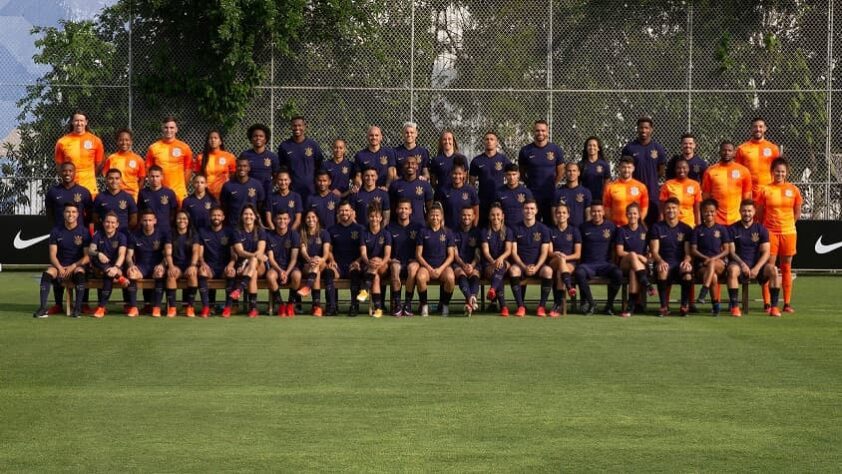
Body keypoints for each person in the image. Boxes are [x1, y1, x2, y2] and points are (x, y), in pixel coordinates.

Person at [756, 158, 801, 314]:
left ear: (786, 173)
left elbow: (796, 212)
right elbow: (760, 213)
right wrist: (766, 230)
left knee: (786, 267)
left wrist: (788, 225)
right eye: (777, 171)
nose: (779, 174)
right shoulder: (765, 190)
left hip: (788, 232)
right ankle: (767, 303)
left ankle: (787, 303)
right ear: (772, 172)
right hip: (770, 233)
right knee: (769, 267)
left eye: (782, 171)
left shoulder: (793, 190)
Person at [33, 204, 91, 318]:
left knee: (80, 272)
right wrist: (59, 267)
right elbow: (52, 255)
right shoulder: (56, 231)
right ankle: (42, 308)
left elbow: (87, 257)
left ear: (78, 214)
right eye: (68, 212)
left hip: (76, 266)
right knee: (47, 273)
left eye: (74, 212)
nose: (71, 214)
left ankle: (77, 309)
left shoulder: (84, 231)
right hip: (60, 265)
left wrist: (73, 266)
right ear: (63, 214)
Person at [727, 199, 781, 317]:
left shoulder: (761, 229)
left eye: (749, 211)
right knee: (732, 270)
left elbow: (766, 252)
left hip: (757, 266)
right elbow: (731, 252)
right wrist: (742, 264)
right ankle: (735, 307)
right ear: (740, 211)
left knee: (774, 270)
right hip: (739, 264)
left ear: (754, 212)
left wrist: (757, 268)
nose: (747, 213)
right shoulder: (732, 229)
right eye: (744, 211)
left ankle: (774, 307)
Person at [574, 202, 623, 315]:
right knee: (579, 273)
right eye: (594, 211)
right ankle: (591, 304)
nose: (597, 214)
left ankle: (609, 305)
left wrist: (615, 262)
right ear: (590, 212)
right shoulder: (583, 227)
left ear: (603, 212)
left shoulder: (611, 227)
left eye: (599, 211)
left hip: (605, 264)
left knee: (618, 274)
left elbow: (615, 247)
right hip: (588, 265)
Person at [648, 197, 694, 317]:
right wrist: (661, 261)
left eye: (674, 208)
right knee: (662, 271)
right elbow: (654, 251)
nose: (671, 210)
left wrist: (687, 261)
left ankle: (684, 305)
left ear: (679, 210)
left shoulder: (686, 229)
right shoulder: (656, 227)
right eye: (668, 208)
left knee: (687, 272)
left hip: (679, 263)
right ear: (664, 210)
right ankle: (664, 307)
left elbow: (688, 252)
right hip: (665, 262)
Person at [508, 199, 552, 317]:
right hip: (521, 265)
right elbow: (513, 252)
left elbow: (544, 252)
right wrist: (524, 266)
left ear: (536, 211)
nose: (529, 211)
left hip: (538, 265)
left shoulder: (543, 229)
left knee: (548, 271)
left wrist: (537, 267)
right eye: (526, 208)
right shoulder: (515, 228)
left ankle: (541, 307)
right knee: (513, 270)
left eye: (532, 208)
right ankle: (521, 306)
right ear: (522, 210)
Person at [621, 117, 667, 226]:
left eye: (646, 128)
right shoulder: (629, 148)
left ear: (651, 129)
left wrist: (651, 178)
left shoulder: (658, 148)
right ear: (637, 129)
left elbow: (661, 171)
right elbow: (625, 170)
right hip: (633, 194)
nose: (643, 130)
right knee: (634, 224)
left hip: (652, 194)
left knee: (652, 225)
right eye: (641, 128)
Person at [413, 203, 456, 317]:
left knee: (451, 278)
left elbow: (451, 255)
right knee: (420, 277)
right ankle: (424, 305)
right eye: (432, 215)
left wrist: (440, 269)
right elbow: (418, 255)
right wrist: (429, 268)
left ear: (441, 216)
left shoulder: (448, 232)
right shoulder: (423, 232)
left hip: (443, 267)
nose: (435, 218)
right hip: (427, 267)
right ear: (428, 217)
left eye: (437, 215)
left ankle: (445, 305)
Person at [518, 120, 565, 223]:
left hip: (550, 193)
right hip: (532, 194)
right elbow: (521, 172)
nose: (540, 133)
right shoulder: (525, 150)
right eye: (537, 130)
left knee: (552, 222)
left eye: (543, 130)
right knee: (533, 223)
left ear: (547, 132)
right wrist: (529, 183)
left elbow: (561, 171)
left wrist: (553, 183)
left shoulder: (556, 150)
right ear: (533, 132)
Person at [690, 199, 731, 316]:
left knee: (713, 264)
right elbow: (693, 250)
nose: (709, 214)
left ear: (716, 212)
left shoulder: (722, 229)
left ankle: (704, 291)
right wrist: (705, 258)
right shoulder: (697, 230)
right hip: (702, 265)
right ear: (702, 212)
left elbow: (727, 250)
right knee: (712, 276)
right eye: (706, 211)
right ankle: (715, 305)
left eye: (712, 211)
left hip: (719, 264)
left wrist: (713, 258)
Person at [125, 210, 169, 317]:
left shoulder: (162, 234)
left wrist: (162, 265)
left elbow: (167, 254)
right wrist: (131, 265)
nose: (147, 223)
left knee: (159, 273)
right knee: (131, 273)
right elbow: (129, 255)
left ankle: (157, 308)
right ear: (141, 221)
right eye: (145, 220)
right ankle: (134, 308)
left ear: (155, 221)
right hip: (142, 267)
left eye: (150, 220)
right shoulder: (134, 235)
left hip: (156, 265)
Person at [54, 110, 104, 199]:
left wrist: (89, 176)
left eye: (81, 121)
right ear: (72, 122)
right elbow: (59, 166)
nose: (79, 123)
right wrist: (68, 178)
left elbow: (99, 165)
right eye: (76, 120)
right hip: (70, 187)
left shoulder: (96, 141)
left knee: (89, 212)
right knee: (71, 212)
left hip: (89, 188)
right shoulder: (62, 142)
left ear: (86, 122)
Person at [87, 212, 129, 318]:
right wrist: (99, 253)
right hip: (99, 267)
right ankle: (119, 278)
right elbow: (91, 251)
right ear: (103, 223)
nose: (109, 225)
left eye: (112, 222)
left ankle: (101, 308)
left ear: (117, 224)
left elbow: (122, 254)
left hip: (115, 268)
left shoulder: (121, 236)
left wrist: (115, 268)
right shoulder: (98, 234)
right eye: (107, 222)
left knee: (108, 275)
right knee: (98, 260)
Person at [328, 201, 366, 316]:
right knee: (328, 273)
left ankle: (354, 306)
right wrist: (332, 260)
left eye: (347, 210)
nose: (344, 213)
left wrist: (358, 261)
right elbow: (329, 250)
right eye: (342, 210)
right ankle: (332, 307)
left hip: (353, 265)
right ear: (338, 212)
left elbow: (364, 250)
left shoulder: (360, 229)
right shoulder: (332, 229)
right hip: (338, 266)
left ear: (352, 212)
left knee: (355, 274)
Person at [197, 206, 237, 317]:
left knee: (231, 272)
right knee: (202, 271)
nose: (216, 217)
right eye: (214, 215)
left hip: (224, 267)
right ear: (210, 216)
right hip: (210, 267)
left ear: (223, 217)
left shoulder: (229, 232)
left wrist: (231, 264)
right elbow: (200, 254)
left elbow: (234, 255)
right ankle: (206, 307)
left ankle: (228, 307)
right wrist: (203, 263)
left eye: (219, 215)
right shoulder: (203, 231)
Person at [614, 203, 652, 318]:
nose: (632, 216)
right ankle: (646, 282)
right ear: (626, 214)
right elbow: (619, 252)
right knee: (632, 255)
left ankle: (630, 306)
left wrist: (645, 258)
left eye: (635, 213)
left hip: (638, 267)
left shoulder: (645, 230)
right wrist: (637, 256)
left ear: (639, 215)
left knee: (633, 272)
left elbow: (650, 252)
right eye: (630, 213)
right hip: (624, 263)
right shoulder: (622, 230)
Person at [229, 205, 267, 318]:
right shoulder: (237, 232)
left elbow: (260, 251)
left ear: (255, 217)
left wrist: (250, 259)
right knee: (253, 272)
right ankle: (253, 308)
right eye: (245, 214)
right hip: (245, 267)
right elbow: (240, 252)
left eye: (251, 214)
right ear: (241, 216)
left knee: (255, 261)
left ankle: (240, 288)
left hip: (260, 267)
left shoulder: (260, 231)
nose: (248, 216)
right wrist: (248, 260)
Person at [145, 115, 193, 204]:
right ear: (162, 129)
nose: (169, 130)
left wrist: (182, 186)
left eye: (171, 127)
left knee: (180, 216)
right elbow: (149, 169)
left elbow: (188, 170)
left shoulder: (184, 147)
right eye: (166, 127)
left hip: (179, 191)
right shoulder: (153, 147)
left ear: (176, 129)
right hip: (159, 190)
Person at [702, 141, 752, 225]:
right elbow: (706, 198)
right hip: (716, 220)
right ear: (719, 152)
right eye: (724, 150)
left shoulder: (744, 171)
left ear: (734, 152)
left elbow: (746, 198)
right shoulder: (710, 171)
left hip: (737, 219)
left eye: (729, 150)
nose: (727, 153)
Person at [297, 209, 334, 317]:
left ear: (317, 219)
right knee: (315, 271)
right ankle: (317, 308)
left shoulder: (324, 233)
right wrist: (310, 260)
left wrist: (319, 259)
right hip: (307, 265)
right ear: (305, 219)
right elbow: (303, 251)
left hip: (321, 262)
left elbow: (326, 253)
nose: (311, 219)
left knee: (317, 262)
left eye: (313, 217)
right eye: (308, 217)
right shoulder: (302, 233)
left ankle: (309, 291)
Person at [265, 211, 302, 317]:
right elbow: (271, 259)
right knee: (270, 276)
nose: (282, 221)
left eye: (285, 219)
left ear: (289, 220)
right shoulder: (269, 235)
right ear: (275, 220)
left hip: (291, 267)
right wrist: (281, 271)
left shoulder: (294, 234)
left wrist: (286, 272)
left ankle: (290, 304)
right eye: (280, 218)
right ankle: (281, 305)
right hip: (276, 267)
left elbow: (294, 258)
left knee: (297, 275)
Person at [480, 203, 515, 317]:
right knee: (497, 273)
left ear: (503, 216)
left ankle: (493, 291)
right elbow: (485, 251)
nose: (496, 217)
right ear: (489, 216)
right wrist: (493, 262)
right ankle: (503, 307)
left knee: (500, 267)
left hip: (504, 262)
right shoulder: (485, 231)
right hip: (489, 263)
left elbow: (508, 250)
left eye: (498, 215)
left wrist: (499, 259)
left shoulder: (508, 231)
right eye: (493, 215)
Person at [164, 210, 200, 317]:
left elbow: (195, 252)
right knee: (171, 275)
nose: (181, 221)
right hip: (176, 265)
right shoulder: (170, 234)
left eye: (184, 218)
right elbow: (168, 252)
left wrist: (193, 266)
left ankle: (190, 307)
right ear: (175, 220)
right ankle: (172, 308)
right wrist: (171, 266)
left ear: (188, 221)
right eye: (179, 218)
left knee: (193, 274)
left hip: (189, 265)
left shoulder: (193, 234)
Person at [388, 198, 421, 317]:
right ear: (396, 210)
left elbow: (422, 248)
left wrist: (417, 259)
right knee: (395, 268)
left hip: (413, 261)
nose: (403, 211)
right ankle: (397, 304)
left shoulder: (418, 227)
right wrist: (390, 260)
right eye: (401, 208)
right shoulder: (390, 227)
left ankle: (408, 303)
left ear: (411, 211)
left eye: (406, 208)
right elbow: (386, 250)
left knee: (412, 269)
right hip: (396, 261)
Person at [470, 131, 510, 226]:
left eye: (492, 139)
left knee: (499, 225)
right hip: (482, 199)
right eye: (487, 139)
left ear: (496, 142)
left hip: (499, 199)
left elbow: (512, 175)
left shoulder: (503, 159)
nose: (489, 141)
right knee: (483, 226)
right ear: (484, 142)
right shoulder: (477, 161)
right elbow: (471, 182)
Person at [359, 203, 392, 317]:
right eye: (372, 216)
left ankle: (364, 290)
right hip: (369, 267)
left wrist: (379, 263)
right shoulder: (364, 233)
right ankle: (378, 309)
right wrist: (369, 262)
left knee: (377, 261)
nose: (374, 219)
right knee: (376, 278)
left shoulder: (386, 234)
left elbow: (387, 255)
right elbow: (363, 253)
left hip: (383, 265)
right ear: (368, 218)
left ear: (381, 218)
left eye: (377, 216)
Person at [279, 116, 324, 200]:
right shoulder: (284, 146)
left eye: (300, 125)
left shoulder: (313, 145)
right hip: (292, 190)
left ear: (304, 126)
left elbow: (320, 166)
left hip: (311, 190)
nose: (297, 128)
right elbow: (282, 167)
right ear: (291, 127)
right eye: (294, 126)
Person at [735, 116, 781, 199]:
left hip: (768, 190)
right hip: (748, 191)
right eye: (755, 127)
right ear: (751, 129)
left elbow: (779, 170)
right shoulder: (742, 149)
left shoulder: (773, 148)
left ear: (765, 128)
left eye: (760, 127)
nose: (758, 129)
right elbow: (738, 172)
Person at [548, 204, 581, 317]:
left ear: (568, 215)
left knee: (559, 273)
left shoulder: (574, 231)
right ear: (555, 215)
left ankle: (557, 305)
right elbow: (549, 252)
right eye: (558, 213)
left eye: (563, 212)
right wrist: (557, 255)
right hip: (554, 261)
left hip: (570, 262)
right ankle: (569, 286)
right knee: (560, 261)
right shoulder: (551, 230)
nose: (561, 215)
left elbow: (577, 254)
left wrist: (565, 257)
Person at [602, 156, 649, 226]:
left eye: (629, 167)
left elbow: (644, 208)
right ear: (619, 168)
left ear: (633, 169)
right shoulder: (610, 187)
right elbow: (606, 208)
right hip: (617, 227)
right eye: (624, 167)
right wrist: (613, 224)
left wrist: (637, 223)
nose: (626, 170)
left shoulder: (641, 187)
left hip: (635, 227)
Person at [452, 206, 481, 316]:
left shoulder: (477, 232)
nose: (466, 217)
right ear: (460, 216)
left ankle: (469, 300)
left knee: (475, 273)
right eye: (464, 215)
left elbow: (478, 254)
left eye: (469, 215)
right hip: (459, 263)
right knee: (461, 273)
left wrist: (472, 265)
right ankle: (471, 298)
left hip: (474, 263)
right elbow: (455, 254)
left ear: (474, 216)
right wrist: (464, 265)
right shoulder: (454, 232)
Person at [240, 123, 280, 203]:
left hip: (266, 193)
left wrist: (270, 186)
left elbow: (276, 175)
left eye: (261, 136)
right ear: (251, 139)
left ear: (265, 139)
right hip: (249, 193)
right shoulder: (245, 155)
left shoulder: (272, 156)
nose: (258, 138)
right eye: (255, 136)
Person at [102, 128, 145, 201]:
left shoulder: (138, 159)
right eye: (121, 140)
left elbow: (142, 179)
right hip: (115, 194)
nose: (124, 142)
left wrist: (136, 192)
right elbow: (106, 177)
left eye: (127, 140)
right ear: (117, 142)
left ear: (131, 142)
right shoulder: (111, 158)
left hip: (132, 196)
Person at [220, 157, 266, 226]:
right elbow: (224, 206)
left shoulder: (257, 184)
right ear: (236, 168)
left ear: (249, 168)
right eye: (239, 166)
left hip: (251, 224)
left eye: (245, 166)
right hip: (233, 224)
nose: (242, 169)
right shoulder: (228, 186)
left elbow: (260, 204)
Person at [389, 154, 432, 226]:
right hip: (401, 226)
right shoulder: (395, 185)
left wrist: (428, 223)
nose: (410, 165)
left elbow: (429, 207)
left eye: (413, 163)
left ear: (417, 166)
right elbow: (392, 207)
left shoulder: (425, 185)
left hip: (419, 225)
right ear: (403, 166)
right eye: (407, 163)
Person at [46, 162, 93, 228]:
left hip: (78, 234)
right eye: (64, 171)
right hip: (60, 232)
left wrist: (83, 228)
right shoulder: (53, 192)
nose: (67, 173)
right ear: (60, 173)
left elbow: (90, 215)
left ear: (75, 173)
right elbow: (49, 214)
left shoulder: (84, 192)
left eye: (70, 171)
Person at [659, 156, 701, 227]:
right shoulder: (668, 184)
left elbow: (697, 210)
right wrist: (661, 226)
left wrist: (698, 226)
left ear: (688, 169)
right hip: (672, 225)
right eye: (679, 168)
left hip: (689, 225)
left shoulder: (695, 185)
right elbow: (662, 209)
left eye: (684, 168)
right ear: (675, 169)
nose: (682, 170)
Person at [195, 129, 236, 200]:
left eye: (215, 138)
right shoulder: (200, 157)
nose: (213, 140)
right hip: (206, 194)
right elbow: (198, 175)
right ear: (208, 141)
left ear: (220, 141)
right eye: (211, 138)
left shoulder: (229, 157)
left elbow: (233, 175)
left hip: (224, 193)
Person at [138, 165, 178, 235]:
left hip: (165, 230)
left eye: (157, 176)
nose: (154, 179)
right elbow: (140, 211)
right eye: (152, 176)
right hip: (148, 231)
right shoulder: (143, 193)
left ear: (162, 177)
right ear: (148, 177)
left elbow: (174, 212)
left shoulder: (169, 193)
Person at [439, 160, 479, 230]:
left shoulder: (470, 190)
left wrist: (473, 229)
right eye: (455, 174)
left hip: (466, 231)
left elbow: (476, 212)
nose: (457, 176)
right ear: (451, 174)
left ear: (464, 174)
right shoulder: (444, 190)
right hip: (449, 230)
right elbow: (440, 211)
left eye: (460, 174)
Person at [553, 162, 592, 228]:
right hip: (564, 231)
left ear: (578, 173)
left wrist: (585, 230)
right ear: (565, 173)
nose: (571, 173)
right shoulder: (558, 192)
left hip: (580, 230)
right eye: (569, 171)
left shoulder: (586, 192)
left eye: (574, 171)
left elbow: (588, 216)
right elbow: (554, 216)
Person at [429, 130, 468, 196]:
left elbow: (465, 178)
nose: (447, 141)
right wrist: (440, 190)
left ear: (453, 141)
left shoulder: (462, 158)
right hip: (441, 195)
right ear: (441, 142)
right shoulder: (436, 160)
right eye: (444, 139)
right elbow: (433, 181)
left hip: (458, 194)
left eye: (449, 139)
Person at [496, 163, 534, 227]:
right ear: (504, 175)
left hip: (522, 227)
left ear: (518, 175)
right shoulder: (499, 192)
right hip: (505, 228)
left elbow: (532, 211)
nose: (511, 177)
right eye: (509, 175)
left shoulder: (526, 192)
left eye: (514, 174)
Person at [579, 136, 611, 204]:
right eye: (589, 145)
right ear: (586, 148)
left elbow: (607, 183)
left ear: (598, 148)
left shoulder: (604, 165)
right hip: (585, 199)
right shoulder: (581, 165)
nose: (592, 147)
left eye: (594, 145)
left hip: (599, 200)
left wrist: (604, 197)